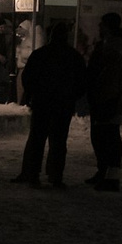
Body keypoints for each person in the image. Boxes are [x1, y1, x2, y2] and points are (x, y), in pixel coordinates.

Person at [14, 19, 84, 187]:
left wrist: (31, 95)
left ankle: (31, 173)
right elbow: (82, 81)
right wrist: (72, 97)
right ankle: (55, 175)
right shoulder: (73, 57)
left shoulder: (41, 54)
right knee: (58, 141)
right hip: (63, 105)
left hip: (42, 102)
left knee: (36, 139)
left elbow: (28, 77)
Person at [84, 12, 122, 191]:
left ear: (108, 26)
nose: (99, 27)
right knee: (101, 137)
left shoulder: (114, 48)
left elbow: (110, 76)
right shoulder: (108, 45)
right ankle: (104, 172)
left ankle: (111, 177)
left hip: (108, 99)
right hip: (104, 97)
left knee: (108, 138)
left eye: (102, 24)